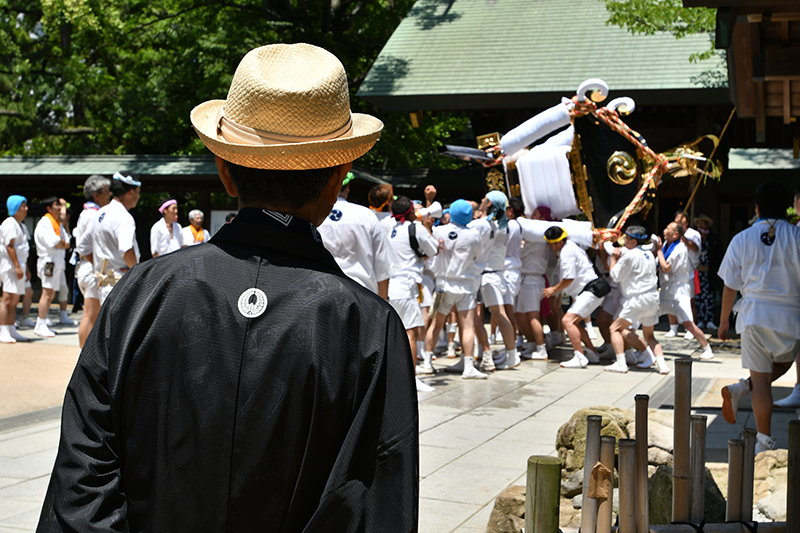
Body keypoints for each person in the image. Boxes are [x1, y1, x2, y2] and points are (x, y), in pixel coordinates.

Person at [38, 43, 418, 532]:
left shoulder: (141, 293)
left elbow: (83, 470)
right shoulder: (365, 324)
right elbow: (378, 496)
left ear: (225, 172)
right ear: (337, 180)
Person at [718, 182, 800, 453]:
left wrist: (723, 321)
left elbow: (730, 284)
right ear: (787, 207)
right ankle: (742, 389)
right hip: (790, 315)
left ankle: (763, 442)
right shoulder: (796, 235)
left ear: (756, 208)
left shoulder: (742, 238)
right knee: (785, 364)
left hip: (753, 314)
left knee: (762, 380)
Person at [425, 199, 488, 379]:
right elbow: (479, 257)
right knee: (467, 326)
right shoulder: (474, 234)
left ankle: (428, 362)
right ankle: (468, 366)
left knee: (437, 325)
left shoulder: (438, 230)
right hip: (465, 284)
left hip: (443, 284)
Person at [386, 195, 439, 391]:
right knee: (410, 333)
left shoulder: (389, 227)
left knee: (393, 333)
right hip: (407, 286)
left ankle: (394, 376)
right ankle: (411, 379)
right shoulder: (414, 228)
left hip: (390, 285)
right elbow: (433, 249)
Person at [318, 172, 396, 298]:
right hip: (362, 295)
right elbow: (382, 267)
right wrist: (383, 302)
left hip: (322, 294)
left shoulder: (314, 216)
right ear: (347, 188)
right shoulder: (366, 216)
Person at [606, 226, 669, 374]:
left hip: (637, 298)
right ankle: (662, 364)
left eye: (627, 238)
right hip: (653, 298)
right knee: (648, 335)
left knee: (614, 328)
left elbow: (615, 275)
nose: (624, 240)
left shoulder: (629, 256)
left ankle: (621, 363)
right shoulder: (649, 254)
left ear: (634, 242)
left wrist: (614, 259)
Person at [542, 226, 604, 368]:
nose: (550, 248)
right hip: (592, 289)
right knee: (574, 322)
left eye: (551, 244)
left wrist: (554, 290)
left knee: (567, 321)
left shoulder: (566, 252)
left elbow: (569, 278)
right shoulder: (571, 245)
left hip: (590, 290)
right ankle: (592, 353)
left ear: (559, 243)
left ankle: (580, 356)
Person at [654, 222, 714, 360]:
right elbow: (659, 264)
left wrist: (658, 251)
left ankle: (707, 349)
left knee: (688, 324)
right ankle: (644, 350)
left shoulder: (681, 248)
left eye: (667, 229)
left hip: (679, 291)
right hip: (666, 289)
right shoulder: (665, 245)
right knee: (647, 316)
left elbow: (666, 268)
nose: (664, 230)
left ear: (676, 234)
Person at [73, 175, 112, 348]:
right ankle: (83, 356)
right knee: (90, 314)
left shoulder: (88, 212)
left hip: (87, 268)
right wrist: (98, 266)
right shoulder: (92, 215)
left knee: (91, 314)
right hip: (90, 269)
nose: (109, 194)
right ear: (96, 195)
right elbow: (83, 246)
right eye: (105, 192)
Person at [92, 172, 141, 305]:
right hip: (120, 281)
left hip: (104, 281)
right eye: (138, 192)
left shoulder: (100, 213)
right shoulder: (124, 217)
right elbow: (126, 249)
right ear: (131, 193)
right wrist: (137, 271)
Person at [33, 196, 72, 337]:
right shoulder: (45, 222)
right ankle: (40, 323)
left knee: (52, 293)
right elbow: (54, 242)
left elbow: (67, 241)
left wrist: (62, 243)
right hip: (48, 261)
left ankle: (43, 322)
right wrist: (61, 243)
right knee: (47, 293)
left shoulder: (57, 223)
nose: (59, 208)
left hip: (56, 262)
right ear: (49, 208)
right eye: (57, 205)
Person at [0, 195, 32, 343]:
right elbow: (10, 246)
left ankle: (12, 329)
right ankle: (3, 329)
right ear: (14, 208)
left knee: (14, 300)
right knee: (7, 299)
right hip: (10, 267)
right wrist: (18, 267)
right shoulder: (10, 223)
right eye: (22, 206)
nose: (26, 209)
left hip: (19, 266)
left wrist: (25, 269)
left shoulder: (21, 225)